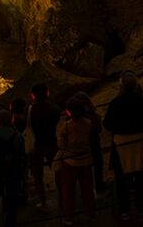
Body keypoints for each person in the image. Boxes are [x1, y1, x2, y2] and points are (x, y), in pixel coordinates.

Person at [103, 71, 143, 220]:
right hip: (139, 140)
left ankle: (124, 208)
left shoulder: (115, 103)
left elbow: (108, 123)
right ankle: (142, 206)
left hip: (121, 142)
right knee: (140, 175)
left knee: (121, 177)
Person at [56, 97, 96, 226]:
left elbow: (61, 145)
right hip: (86, 159)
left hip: (70, 161)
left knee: (68, 190)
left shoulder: (67, 126)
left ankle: (69, 218)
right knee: (87, 188)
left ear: (69, 112)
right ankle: (91, 214)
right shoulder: (88, 123)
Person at [28, 83, 61, 213]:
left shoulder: (30, 110)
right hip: (51, 142)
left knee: (38, 176)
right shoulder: (55, 109)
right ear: (48, 93)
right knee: (58, 171)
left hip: (36, 145)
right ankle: (62, 199)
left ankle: (43, 203)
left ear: (32, 96)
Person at [0, 109, 25, 227]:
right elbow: (21, 153)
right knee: (12, 195)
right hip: (13, 169)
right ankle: (10, 221)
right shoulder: (18, 136)